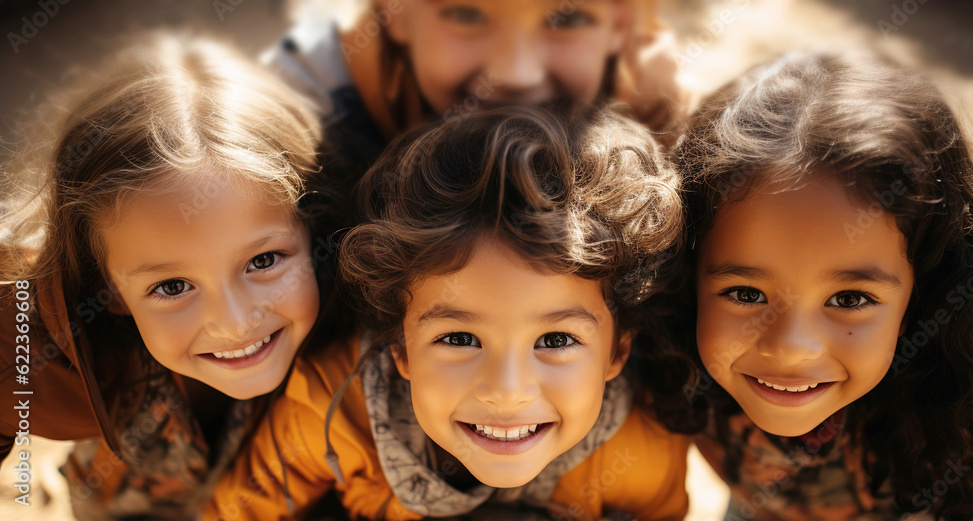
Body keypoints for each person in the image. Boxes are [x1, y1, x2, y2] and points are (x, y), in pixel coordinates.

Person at [206, 105, 692, 520]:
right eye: (459, 339)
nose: (506, 391)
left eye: (556, 340)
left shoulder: (645, 452)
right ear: (399, 347)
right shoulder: (332, 414)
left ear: (617, 352)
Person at [0, 33, 343, 519]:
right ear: (107, 289)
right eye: (172, 286)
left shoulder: (366, 318)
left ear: (313, 230)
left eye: (263, 262)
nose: (234, 322)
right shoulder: (48, 351)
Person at [671, 52, 973, 519]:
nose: (789, 349)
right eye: (746, 294)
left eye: (849, 299)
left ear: (923, 294)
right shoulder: (659, 355)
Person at [265, 0, 688, 197]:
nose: (516, 75)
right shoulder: (297, 102)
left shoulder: (653, 109)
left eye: (568, 17)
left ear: (620, 22)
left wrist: (662, 134)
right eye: (465, 14)